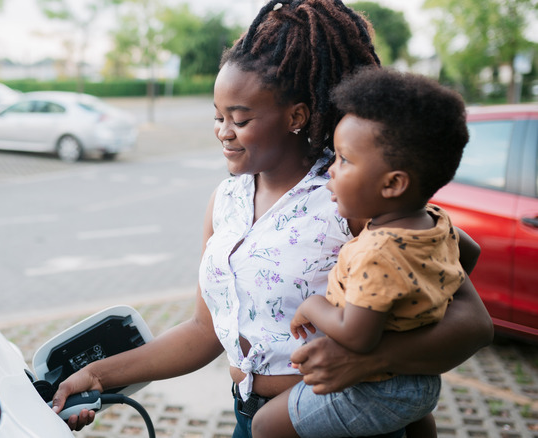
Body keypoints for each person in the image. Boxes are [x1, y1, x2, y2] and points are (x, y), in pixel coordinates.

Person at [51, 1, 494, 436]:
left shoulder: (351, 194)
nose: (223, 131)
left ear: (296, 116)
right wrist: (97, 376)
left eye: (240, 118)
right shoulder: (226, 200)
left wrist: (370, 358)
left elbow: (471, 323)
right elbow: (206, 331)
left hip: (338, 422)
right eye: (218, 116)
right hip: (251, 419)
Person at [248, 67, 470, 438]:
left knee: (266, 425)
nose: (330, 171)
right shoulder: (433, 221)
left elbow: (358, 336)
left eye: (344, 160)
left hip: (376, 387)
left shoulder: (379, 251)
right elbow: (469, 257)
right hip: (416, 378)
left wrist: (312, 307)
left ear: (393, 184)